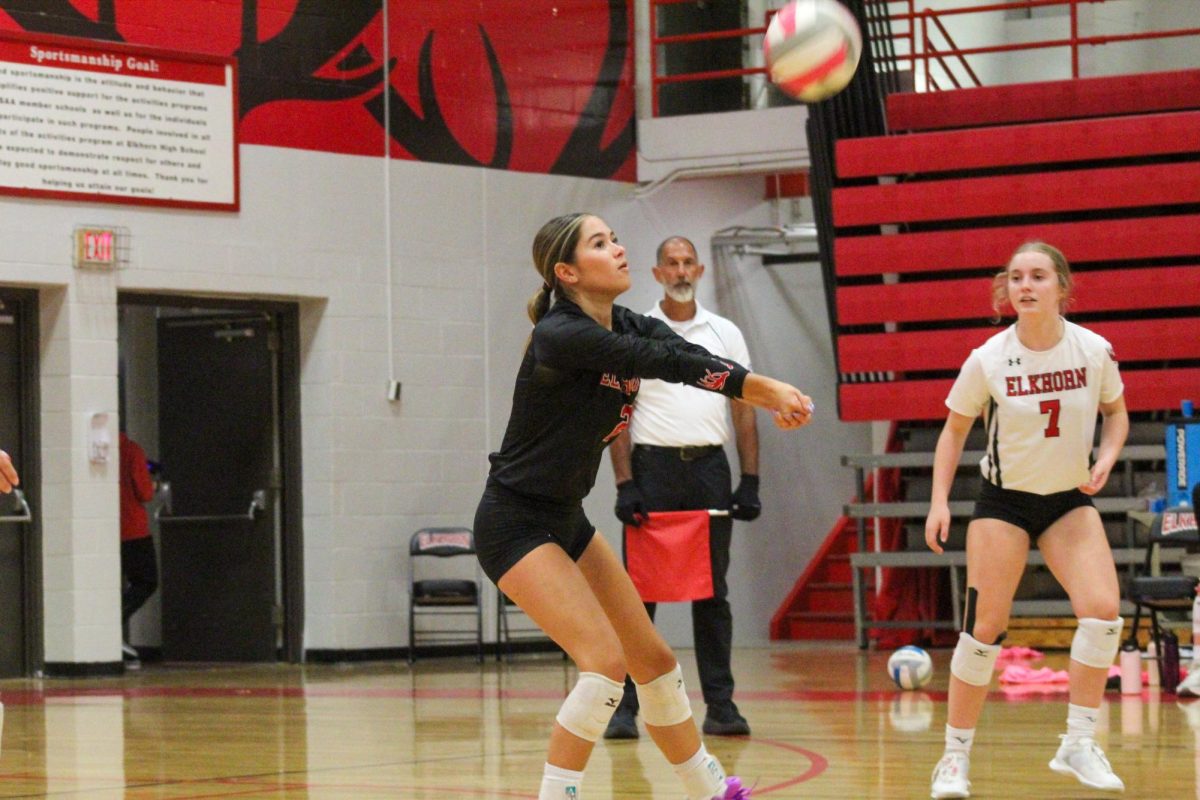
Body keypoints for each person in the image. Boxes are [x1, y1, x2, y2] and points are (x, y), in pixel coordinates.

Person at [473, 212, 813, 800]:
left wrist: (755, 385)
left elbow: (689, 358)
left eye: (616, 238)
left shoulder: (628, 322)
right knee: (604, 664)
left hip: (566, 519)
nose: (619, 249)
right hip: (514, 522)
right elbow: (668, 364)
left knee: (653, 664)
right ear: (568, 272)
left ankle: (710, 789)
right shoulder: (561, 334)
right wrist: (766, 390)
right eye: (601, 244)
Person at [924, 242, 1129, 798]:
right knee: (983, 631)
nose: (1025, 286)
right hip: (1004, 502)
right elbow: (953, 431)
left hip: (1067, 498)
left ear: (1062, 286)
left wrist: (1106, 458)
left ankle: (1078, 743)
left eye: (1038, 276)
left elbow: (1116, 414)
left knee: (1104, 613)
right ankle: (953, 758)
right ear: (1006, 290)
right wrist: (939, 501)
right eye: (1016, 277)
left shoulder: (1093, 350)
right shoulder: (988, 357)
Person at [604, 236, 758, 740]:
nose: (680, 269)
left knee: (713, 594)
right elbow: (618, 414)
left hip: (709, 471)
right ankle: (625, 708)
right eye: (671, 262)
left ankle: (721, 706)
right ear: (656, 273)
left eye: (688, 262)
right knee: (637, 597)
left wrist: (751, 478)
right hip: (652, 471)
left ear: (700, 270)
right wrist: (625, 483)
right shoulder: (637, 333)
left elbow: (743, 406)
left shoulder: (725, 333)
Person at [120, 431, 158, 669]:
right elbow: (144, 492)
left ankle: (109, 628)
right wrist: (152, 484)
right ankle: (114, 624)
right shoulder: (132, 450)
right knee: (146, 581)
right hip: (133, 529)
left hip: (106, 532)